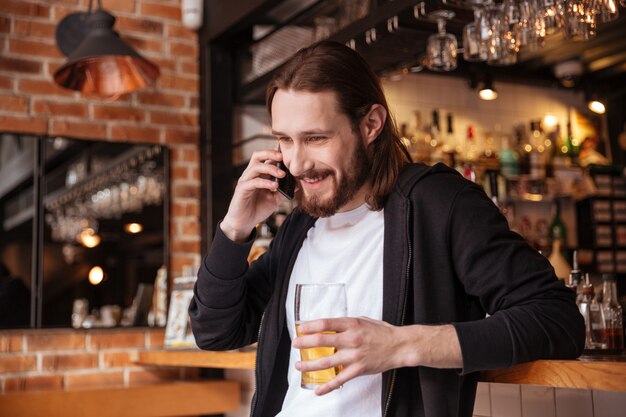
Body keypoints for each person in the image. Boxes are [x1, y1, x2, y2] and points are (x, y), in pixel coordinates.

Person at [189, 41, 584, 417]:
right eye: (284, 140)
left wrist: (403, 345)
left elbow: (557, 320)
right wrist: (234, 229)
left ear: (371, 124)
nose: (296, 163)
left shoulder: (439, 204)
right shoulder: (301, 225)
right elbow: (216, 332)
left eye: (315, 138)